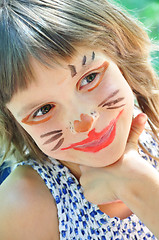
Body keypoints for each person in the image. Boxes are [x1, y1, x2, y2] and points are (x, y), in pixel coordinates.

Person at [0, 0, 159, 239]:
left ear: (120, 56)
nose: (84, 122)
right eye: (43, 110)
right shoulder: (23, 203)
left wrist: (136, 182)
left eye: (89, 78)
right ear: (14, 124)